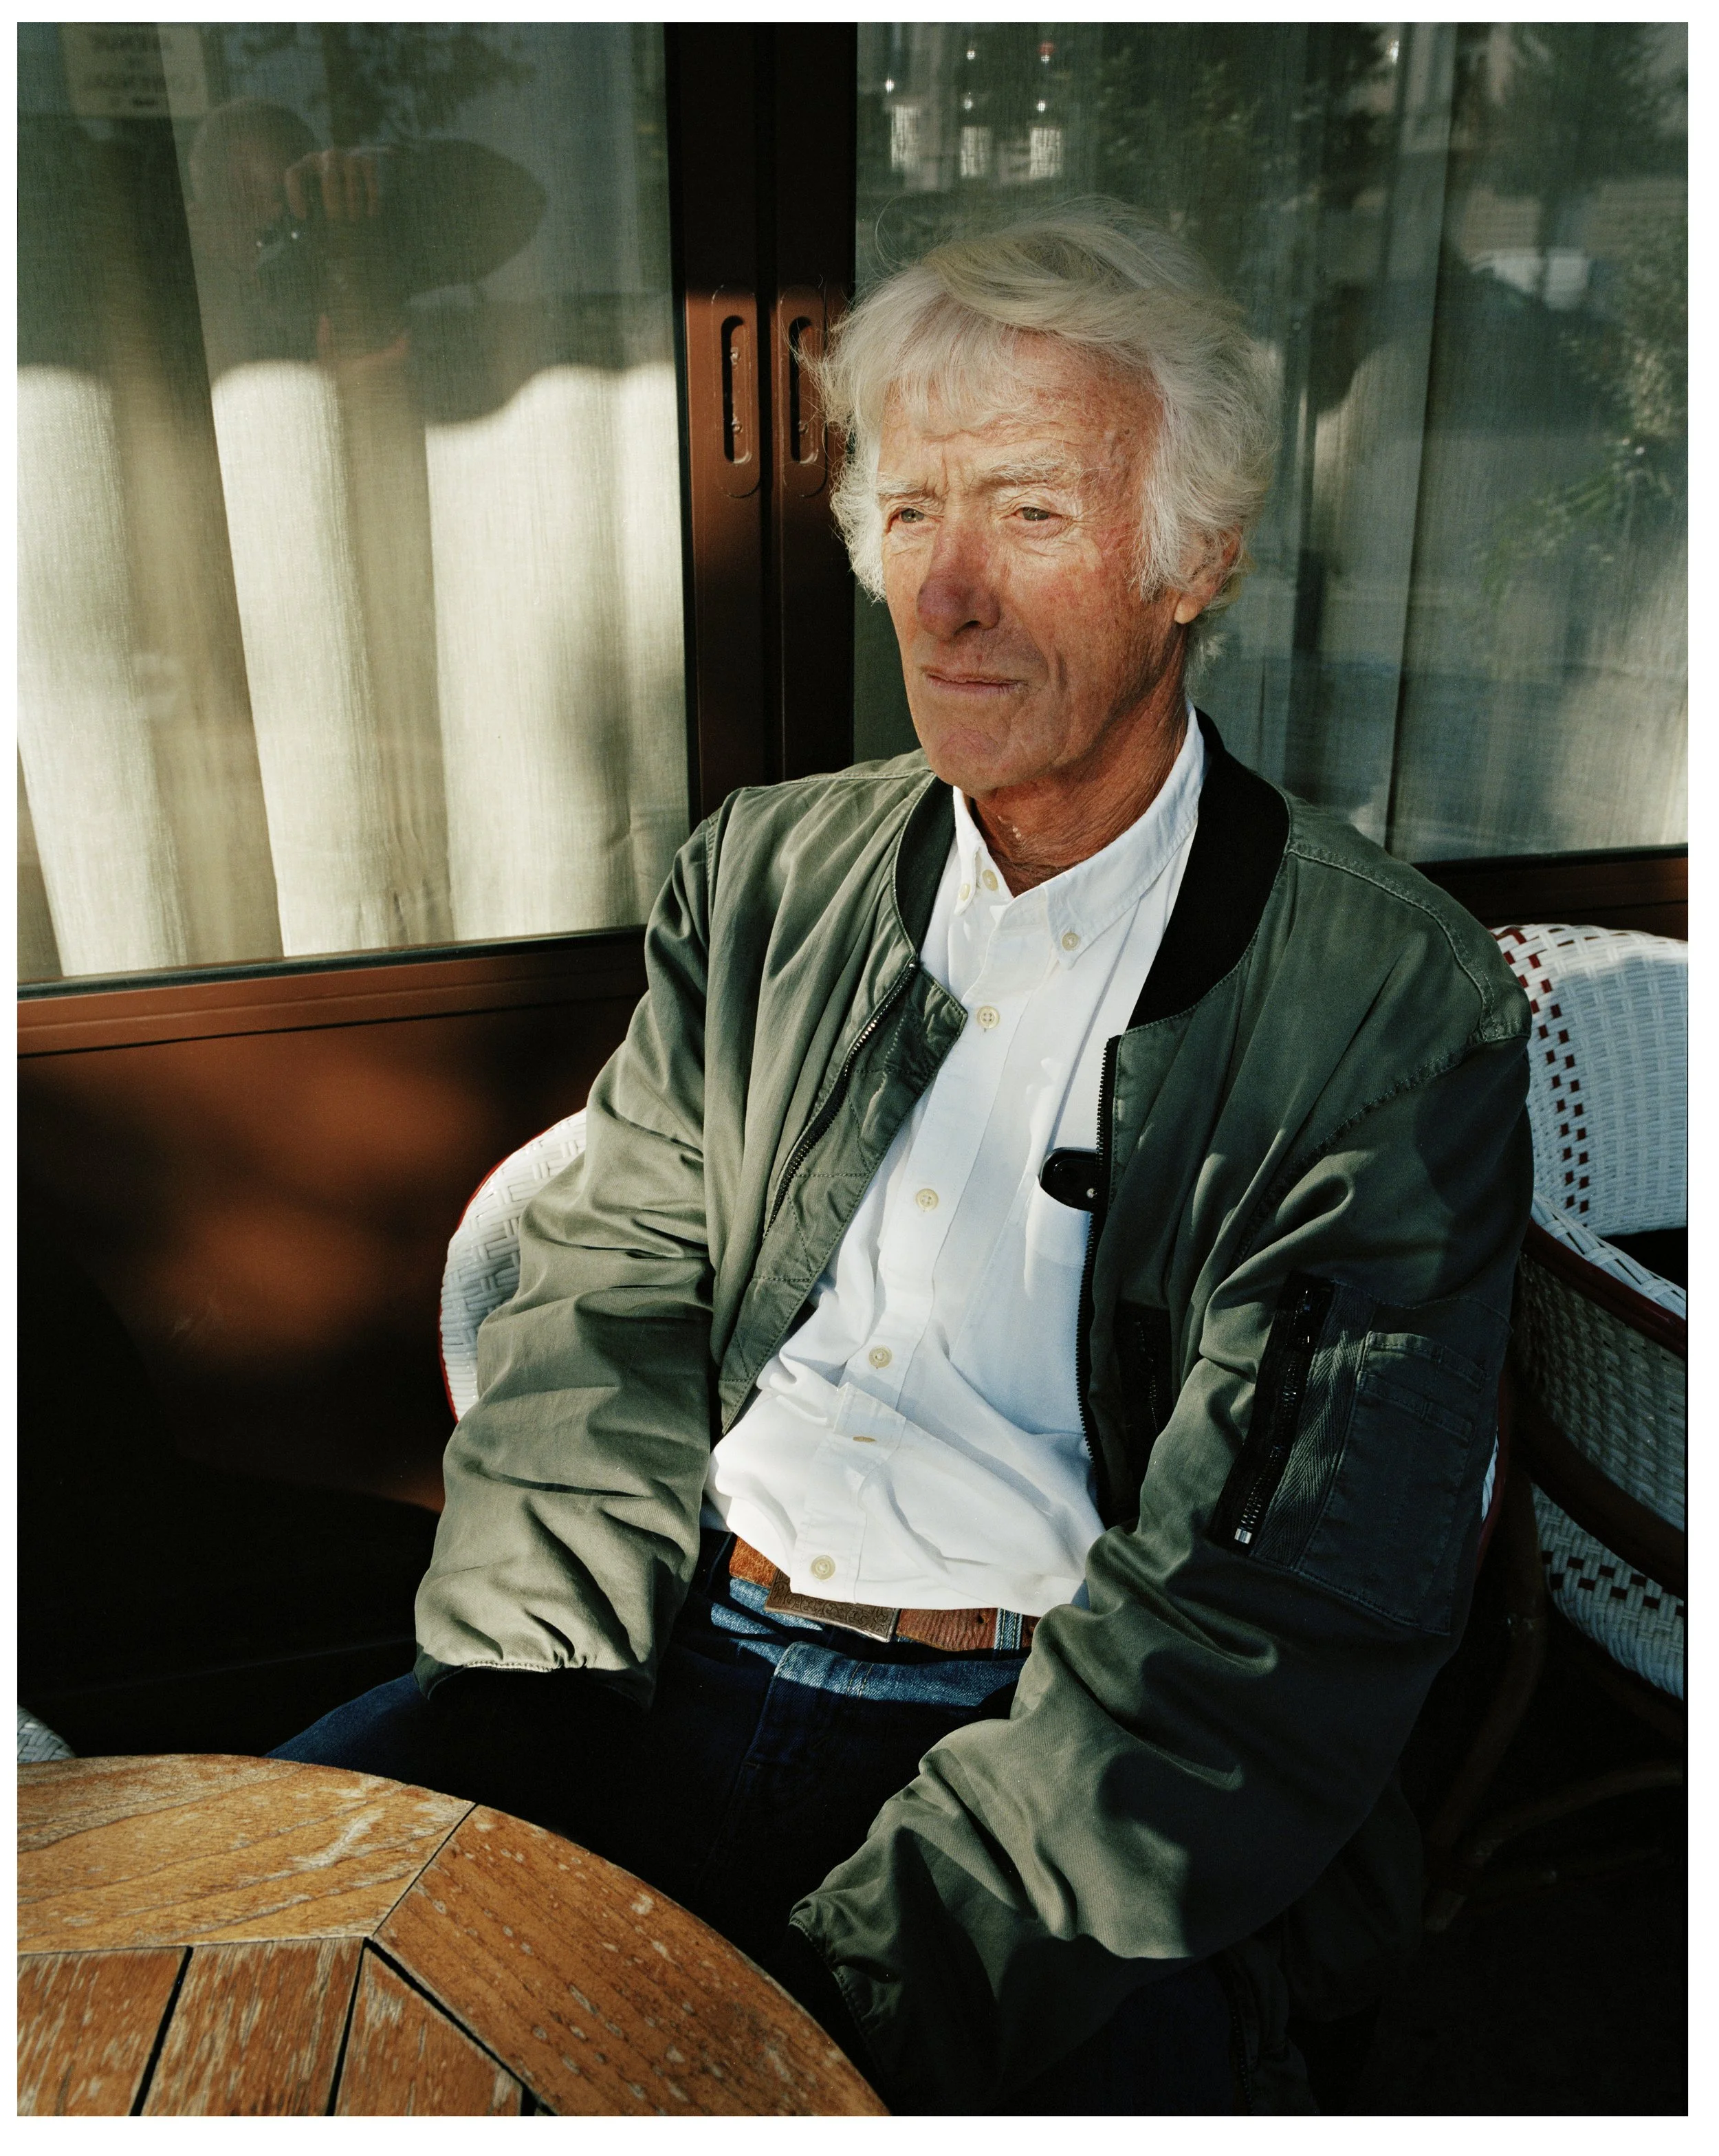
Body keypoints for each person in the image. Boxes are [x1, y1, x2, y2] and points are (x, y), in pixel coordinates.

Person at [276, 201, 1531, 2113]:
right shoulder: (769, 871)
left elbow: (1273, 1621)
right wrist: (526, 1725)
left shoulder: (1378, 1003)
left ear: (1197, 555)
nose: (946, 595)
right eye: (914, 511)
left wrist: (828, 2001)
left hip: (1049, 1757)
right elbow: (611, 1298)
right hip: (664, 1639)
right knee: (235, 1971)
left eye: (1029, 511)